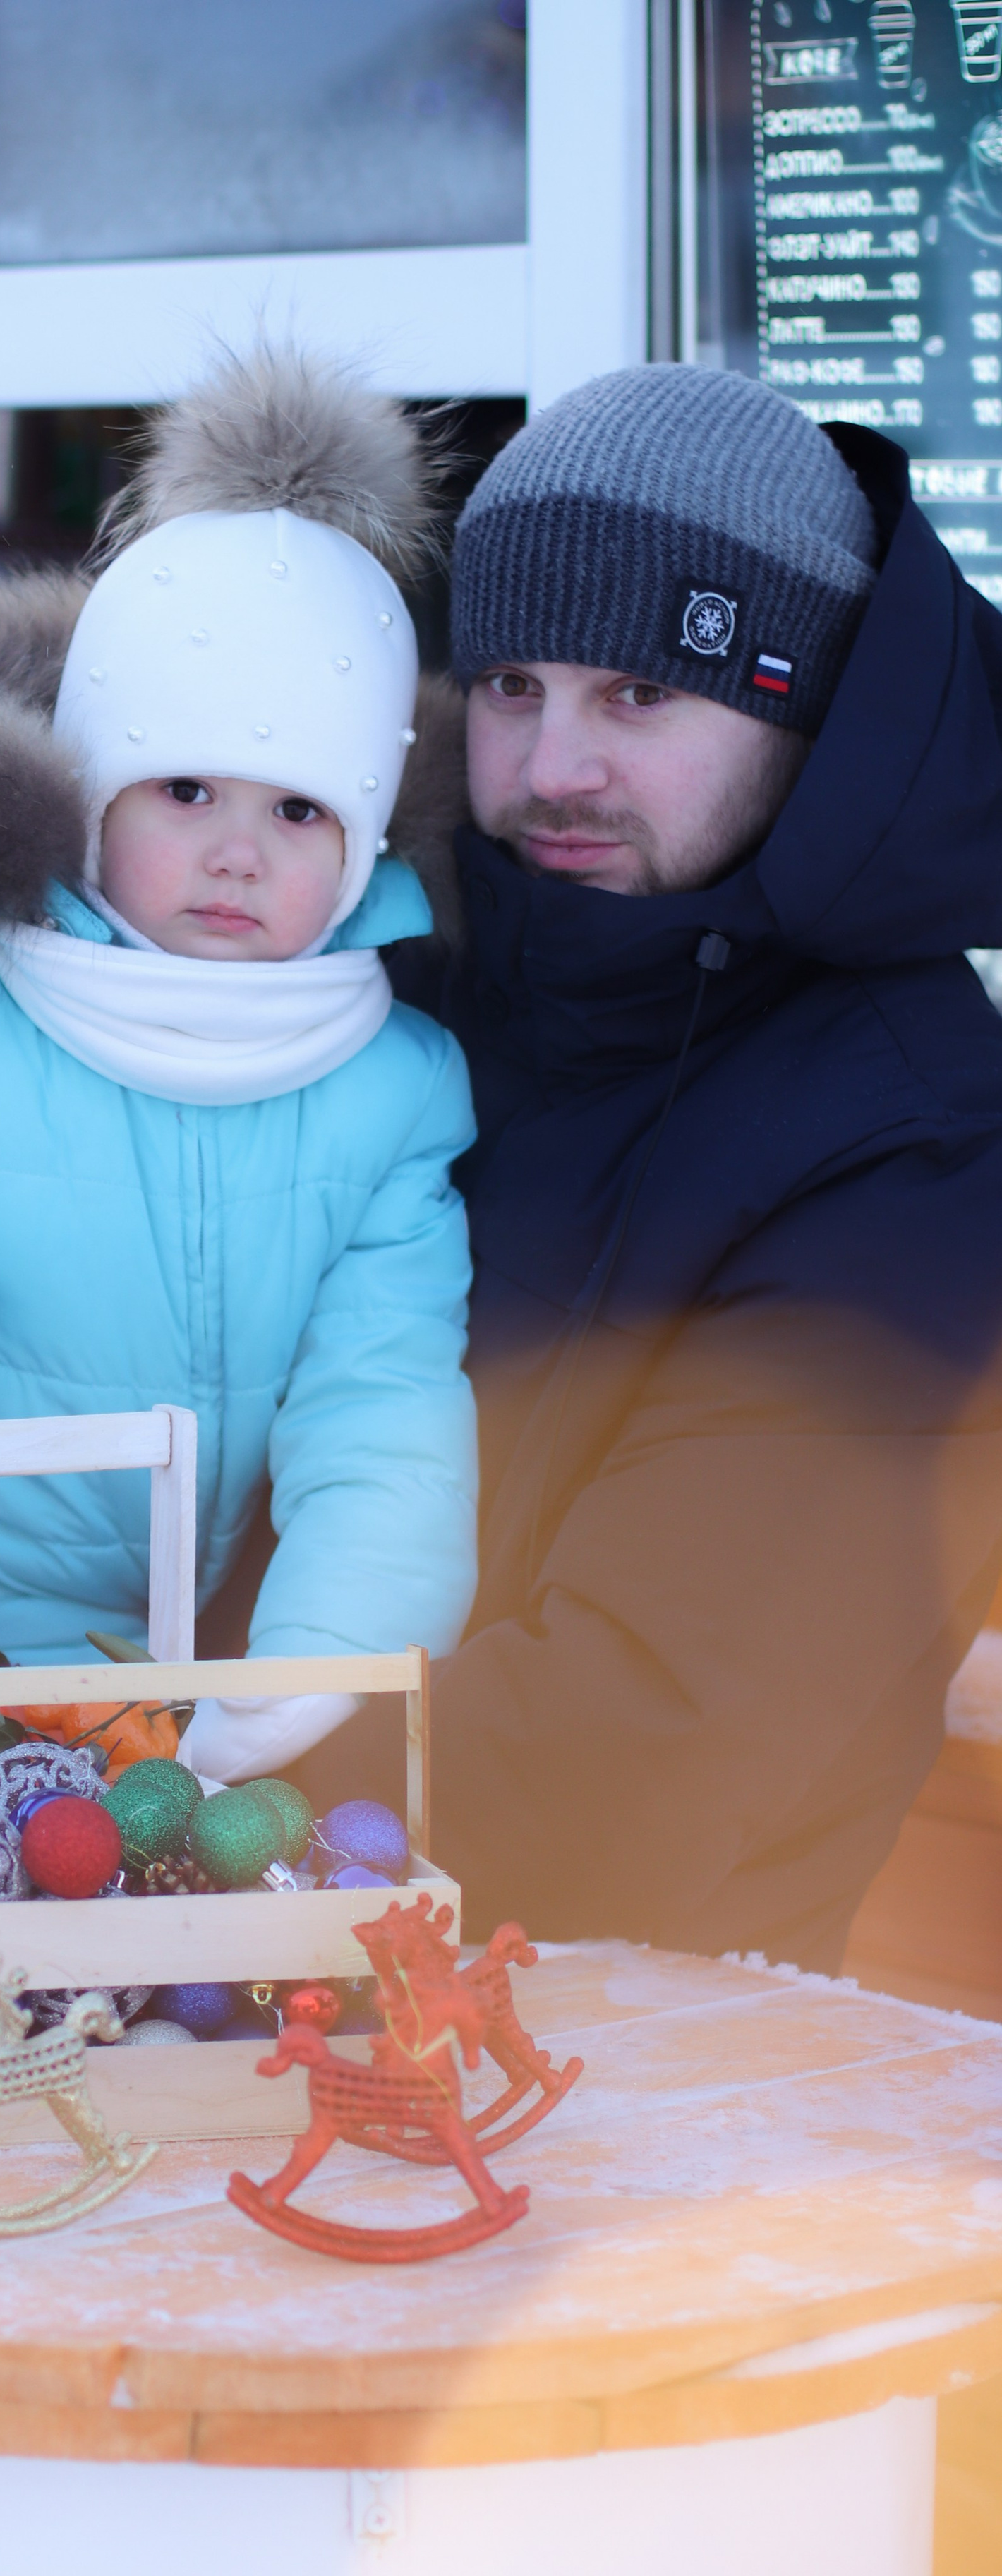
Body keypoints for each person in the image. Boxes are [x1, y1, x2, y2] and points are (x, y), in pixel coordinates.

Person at [0, 351, 478, 1785]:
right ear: (87, 782)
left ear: (368, 841)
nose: (236, 851)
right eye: (182, 790)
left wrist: (317, 1654)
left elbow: (381, 1402)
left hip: (180, 1698)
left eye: (300, 809)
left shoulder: (390, 1088)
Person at [310, 362, 1002, 1973]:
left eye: (636, 697)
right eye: (508, 686)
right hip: (219, 1995)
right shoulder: (389, 990)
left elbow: (634, 1752)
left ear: (797, 707)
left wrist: (119, 1816)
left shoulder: (919, 1142)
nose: (551, 767)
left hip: (621, 2079)